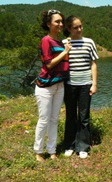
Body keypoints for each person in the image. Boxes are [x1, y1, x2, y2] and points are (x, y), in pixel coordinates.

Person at [34, 10, 71, 162]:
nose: (61, 24)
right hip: (46, 86)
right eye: (57, 22)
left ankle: (52, 150)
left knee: (54, 119)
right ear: (49, 24)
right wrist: (65, 52)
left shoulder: (60, 42)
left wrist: (66, 48)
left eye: (62, 21)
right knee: (44, 119)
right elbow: (49, 64)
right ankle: (38, 151)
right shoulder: (46, 40)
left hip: (59, 85)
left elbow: (64, 63)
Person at [62, 15, 99, 159]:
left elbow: (93, 64)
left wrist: (94, 83)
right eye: (76, 27)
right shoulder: (65, 43)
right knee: (70, 115)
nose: (80, 29)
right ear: (69, 29)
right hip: (69, 85)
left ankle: (83, 146)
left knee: (84, 116)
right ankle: (70, 145)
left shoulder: (89, 42)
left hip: (85, 85)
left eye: (81, 26)